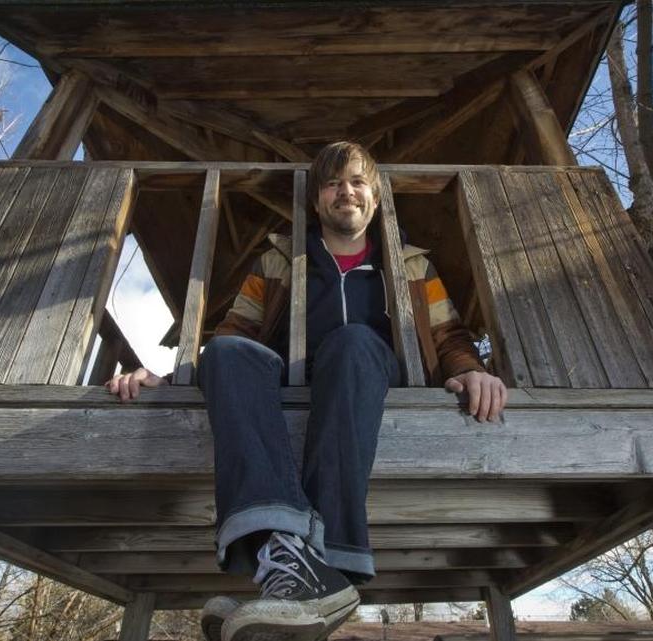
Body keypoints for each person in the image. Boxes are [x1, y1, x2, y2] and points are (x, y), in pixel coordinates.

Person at [108, 142, 507, 641]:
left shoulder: (412, 266)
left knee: (353, 342)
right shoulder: (278, 260)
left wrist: (471, 369)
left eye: (358, 182)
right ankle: (294, 572)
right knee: (225, 353)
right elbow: (237, 329)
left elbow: (449, 335)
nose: (347, 192)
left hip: (368, 378)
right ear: (317, 200)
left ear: (375, 198)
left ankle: (320, 559)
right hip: (289, 385)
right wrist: (169, 380)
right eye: (333, 183)